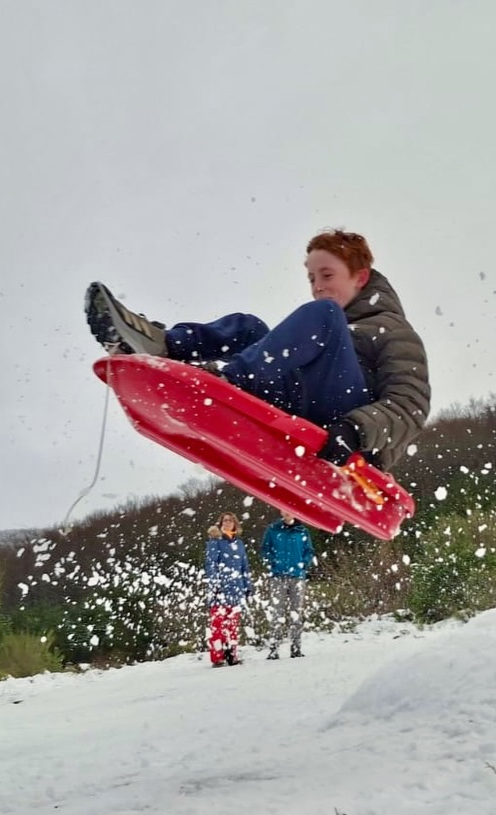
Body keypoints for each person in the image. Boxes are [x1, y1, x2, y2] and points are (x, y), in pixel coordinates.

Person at [84, 229, 430, 470]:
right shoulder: (331, 325)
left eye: (327, 275)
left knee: (324, 314)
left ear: (360, 278)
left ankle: (227, 381)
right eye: (311, 279)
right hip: (302, 404)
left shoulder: (393, 331)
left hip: (346, 431)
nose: (317, 287)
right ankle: (163, 345)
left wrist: (355, 431)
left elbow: (410, 406)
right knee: (248, 327)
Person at [261, 510, 315, 659]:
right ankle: (274, 649)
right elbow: (265, 549)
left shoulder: (302, 530)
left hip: (297, 576)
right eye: (285, 510)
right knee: (277, 613)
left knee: (296, 612)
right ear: (281, 511)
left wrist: (304, 564)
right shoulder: (273, 529)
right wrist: (272, 562)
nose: (287, 513)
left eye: (290, 511)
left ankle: (296, 648)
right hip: (278, 576)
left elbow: (309, 551)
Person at [204, 512, 252, 666]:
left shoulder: (239, 544)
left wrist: (247, 585)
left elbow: (244, 566)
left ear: (235, 523)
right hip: (220, 589)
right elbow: (211, 564)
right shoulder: (215, 541)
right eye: (225, 520)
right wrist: (215, 583)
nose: (228, 523)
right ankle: (217, 657)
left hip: (236, 588)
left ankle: (231, 655)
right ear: (220, 523)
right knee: (217, 624)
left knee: (232, 625)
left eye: (231, 520)